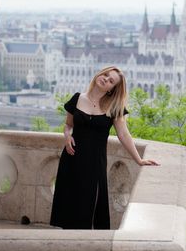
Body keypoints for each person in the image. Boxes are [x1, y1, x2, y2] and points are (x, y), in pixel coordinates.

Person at [50, 66, 158, 230]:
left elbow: (123, 135)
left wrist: (139, 159)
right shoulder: (77, 98)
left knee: (89, 207)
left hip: (94, 163)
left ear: (111, 89)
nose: (106, 79)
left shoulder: (113, 107)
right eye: (106, 75)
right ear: (99, 74)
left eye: (111, 80)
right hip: (72, 159)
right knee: (69, 204)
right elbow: (68, 126)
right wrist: (67, 136)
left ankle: (85, 246)